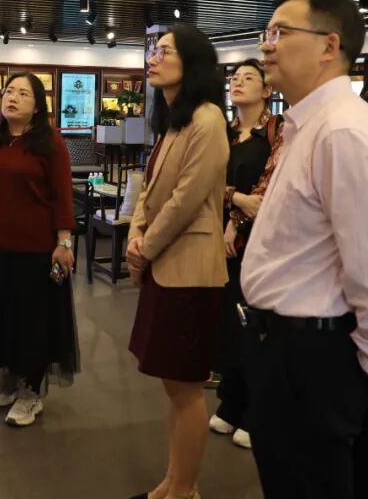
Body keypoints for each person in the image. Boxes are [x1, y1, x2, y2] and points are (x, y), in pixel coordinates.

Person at [240, 0, 368, 499]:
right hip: (284, 348)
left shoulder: (344, 131)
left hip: (314, 356)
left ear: (329, 45)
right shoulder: (308, 125)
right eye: (266, 33)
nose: (267, 45)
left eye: (280, 32)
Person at [125, 25, 229, 499]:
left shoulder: (208, 119)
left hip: (190, 270)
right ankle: (172, 479)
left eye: (164, 51)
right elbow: (149, 190)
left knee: (186, 388)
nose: (154, 57)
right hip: (167, 264)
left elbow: (187, 199)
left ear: (192, 62)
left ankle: (185, 489)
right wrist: (136, 232)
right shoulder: (175, 121)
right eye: (154, 50)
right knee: (173, 386)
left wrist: (145, 246)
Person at [0, 73, 81, 428]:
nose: (13, 97)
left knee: (32, 322)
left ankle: (31, 392)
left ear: (37, 106)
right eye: (9, 91)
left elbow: (62, 196)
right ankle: (9, 382)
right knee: (1, 316)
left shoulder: (50, 144)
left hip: (37, 251)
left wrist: (64, 242)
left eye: (23, 93)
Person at [209, 58, 282, 449]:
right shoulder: (223, 131)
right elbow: (207, 180)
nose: (238, 82)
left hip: (260, 239)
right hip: (217, 237)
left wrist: (236, 220)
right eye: (235, 78)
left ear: (266, 90)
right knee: (227, 320)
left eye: (248, 78)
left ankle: (259, 410)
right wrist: (236, 200)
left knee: (255, 321)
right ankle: (232, 401)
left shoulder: (275, 131)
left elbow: (271, 187)